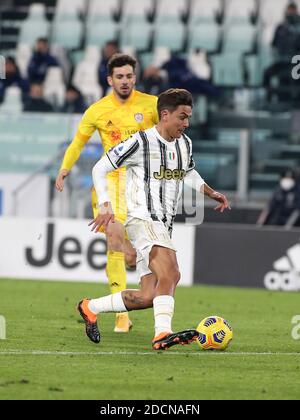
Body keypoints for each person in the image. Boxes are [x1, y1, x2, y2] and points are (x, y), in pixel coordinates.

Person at [77, 88, 230, 350]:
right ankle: (162, 333)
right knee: (172, 272)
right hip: (143, 219)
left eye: (189, 117)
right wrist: (105, 204)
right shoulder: (141, 142)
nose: (186, 123)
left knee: (149, 295)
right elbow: (100, 167)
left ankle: (90, 307)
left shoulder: (185, 144)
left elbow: (188, 173)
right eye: (182, 117)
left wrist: (211, 192)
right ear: (165, 114)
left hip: (163, 225)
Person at [55, 54, 158, 333]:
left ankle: (128, 296)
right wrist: (65, 168)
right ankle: (121, 316)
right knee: (113, 236)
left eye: (129, 76)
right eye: (119, 77)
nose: (125, 81)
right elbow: (78, 142)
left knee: (129, 257)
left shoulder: (152, 105)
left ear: (134, 78)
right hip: (107, 184)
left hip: (140, 187)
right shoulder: (97, 110)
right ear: (109, 80)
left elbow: (169, 132)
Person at [264, 3, 300, 101]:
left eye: (293, 10)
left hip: (296, 63)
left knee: (294, 76)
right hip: (281, 61)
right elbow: (274, 45)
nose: (291, 12)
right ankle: (269, 97)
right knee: (267, 73)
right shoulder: (280, 28)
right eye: (289, 10)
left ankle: (295, 100)